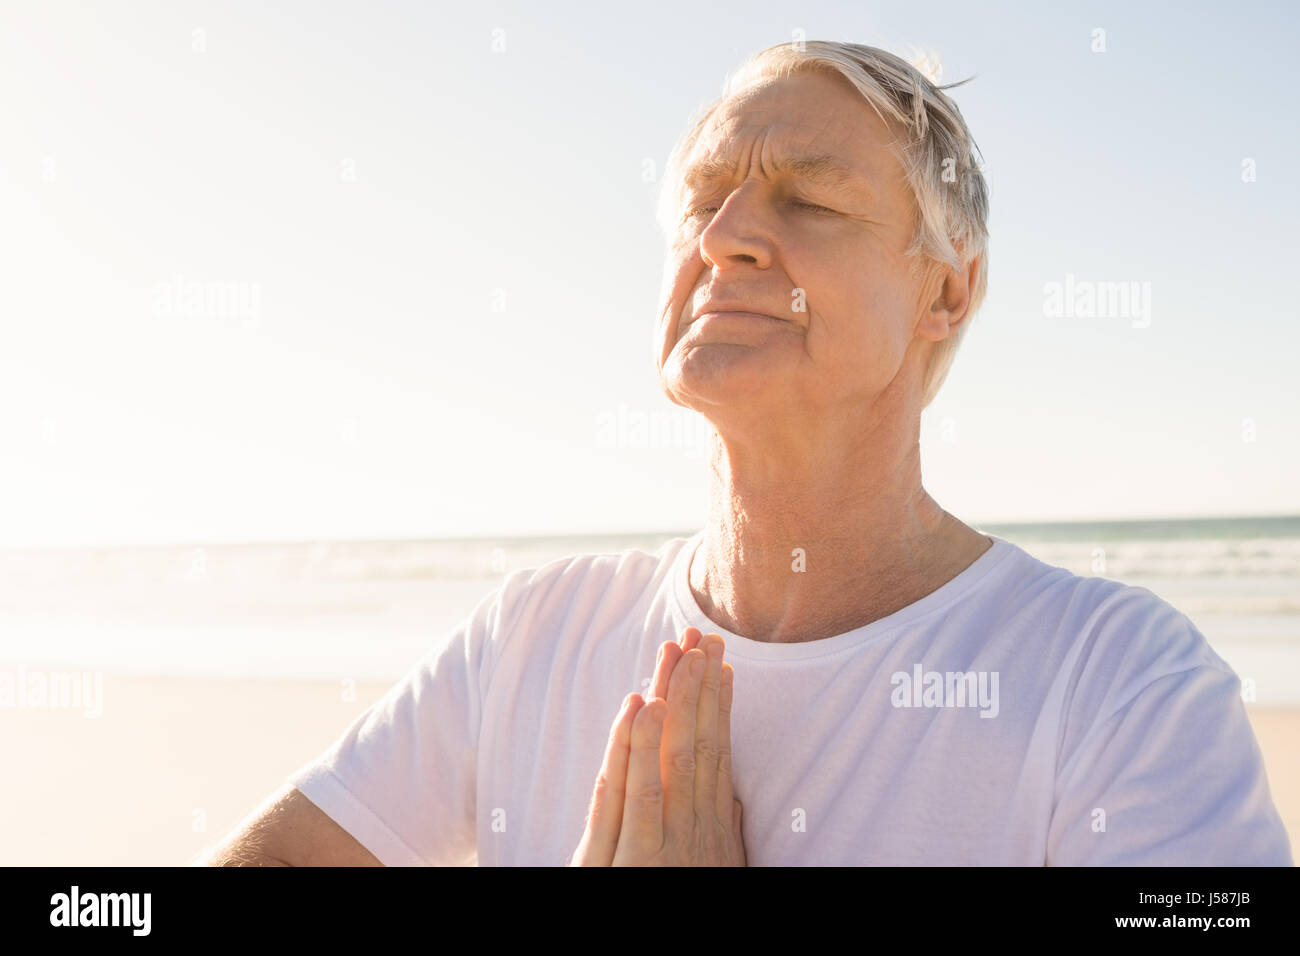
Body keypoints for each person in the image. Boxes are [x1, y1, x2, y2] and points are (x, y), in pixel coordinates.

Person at [198, 40, 1291, 866]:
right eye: (701, 201)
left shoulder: (1121, 684)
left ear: (946, 289)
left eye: (808, 197)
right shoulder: (531, 635)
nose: (724, 235)